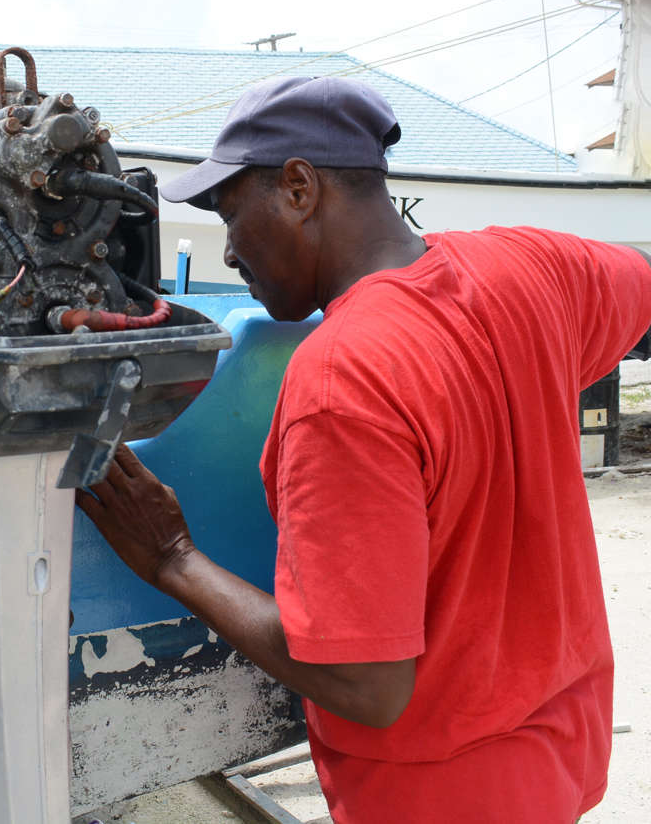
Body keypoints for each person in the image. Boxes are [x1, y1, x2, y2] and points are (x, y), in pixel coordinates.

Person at [77, 76, 651, 822]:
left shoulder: (341, 382)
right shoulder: (530, 265)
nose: (230, 250)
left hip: (441, 795)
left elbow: (366, 684)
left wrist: (172, 558)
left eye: (229, 214)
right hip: (559, 752)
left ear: (299, 188)